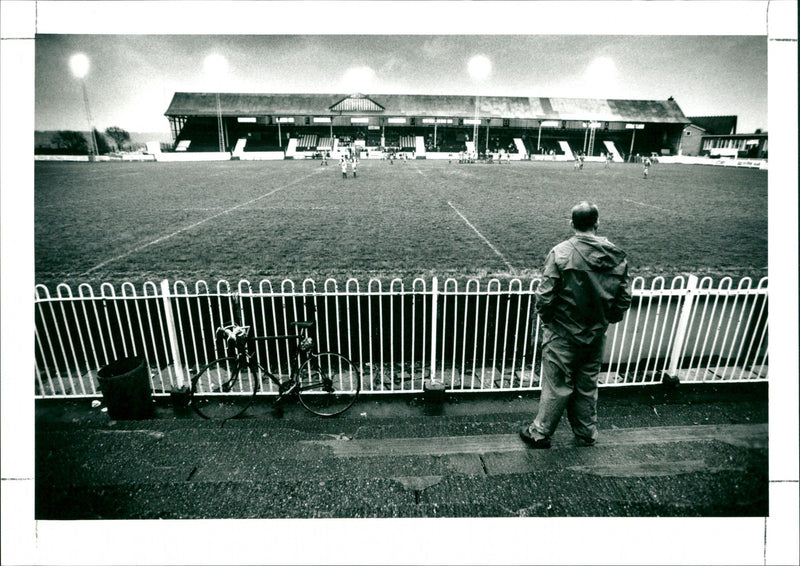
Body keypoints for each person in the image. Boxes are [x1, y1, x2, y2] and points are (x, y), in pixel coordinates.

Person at [520, 202, 632, 449]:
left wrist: (550, 322)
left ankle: (540, 432)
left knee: (556, 385)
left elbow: (545, 296)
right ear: (597, 223)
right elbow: (623, 299)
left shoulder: (561, 252)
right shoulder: (616, 256)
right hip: (595, 335)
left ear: (571, 224)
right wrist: (605, 321)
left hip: (562, 334)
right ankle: (586, 433)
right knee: (586, 385)